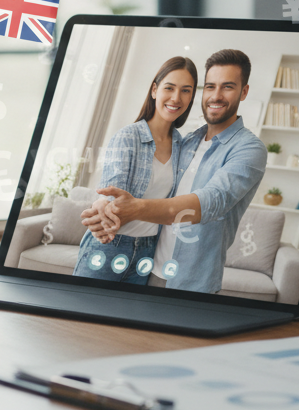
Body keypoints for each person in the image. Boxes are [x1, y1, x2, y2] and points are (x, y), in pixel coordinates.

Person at [81, 49, 267, 294]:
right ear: (155, 90)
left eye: (228, 87)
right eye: (210, 87)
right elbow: (122, 188)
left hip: (191, 279)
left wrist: (134, 208)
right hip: (147, 265)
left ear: (244, 92)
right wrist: (103, 206)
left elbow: (210, 201)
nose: (216, 95)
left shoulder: (250, 149)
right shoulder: (186, 142)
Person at [72, 57, 198, 284]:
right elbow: (111, 194)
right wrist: (101, 207)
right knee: (80, 315)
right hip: (110, 244)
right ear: (154, 90)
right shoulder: (128, 137)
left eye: (186, 91)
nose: (176, 98)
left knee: (125, 319)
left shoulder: (182, 145)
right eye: (169, 88)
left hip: (148, 251)